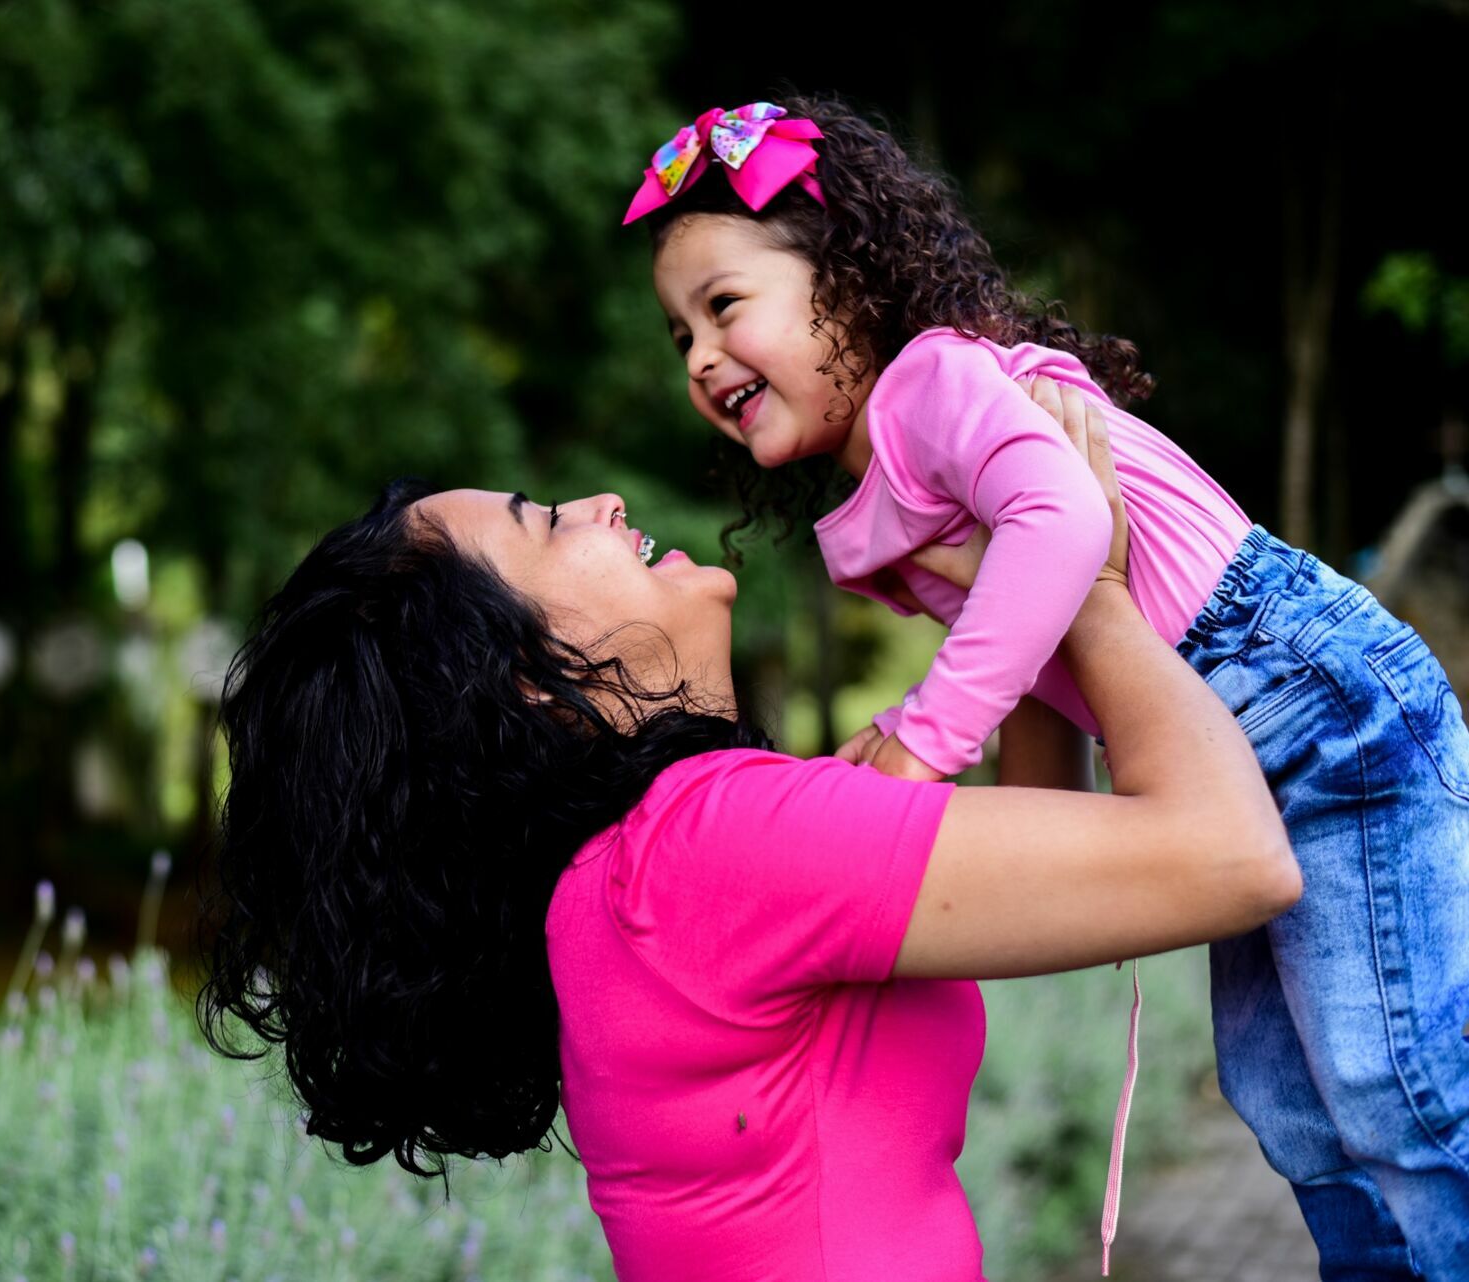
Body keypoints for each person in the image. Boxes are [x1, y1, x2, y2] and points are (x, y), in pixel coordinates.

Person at [627, 95, 1469, 1278]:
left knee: (1399, 1093)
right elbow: (1040, 668)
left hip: (1307, 691)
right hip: (1234, 735)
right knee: (1292, 1107)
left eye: (724, 307)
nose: (705, 357)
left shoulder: (930, 382)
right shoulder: (875, 499)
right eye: (680, 337)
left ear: (849, 286)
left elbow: (1071, 521)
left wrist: (927, 735)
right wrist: (958, 794)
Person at [198, 386, 1299, 1281]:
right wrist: (1092, 578)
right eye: (545, 523)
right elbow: (1231, 857)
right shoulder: (708, 848)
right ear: (517, 682)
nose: (602, 502)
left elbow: (1074, 870)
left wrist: (1026, 598)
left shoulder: (649, 872)